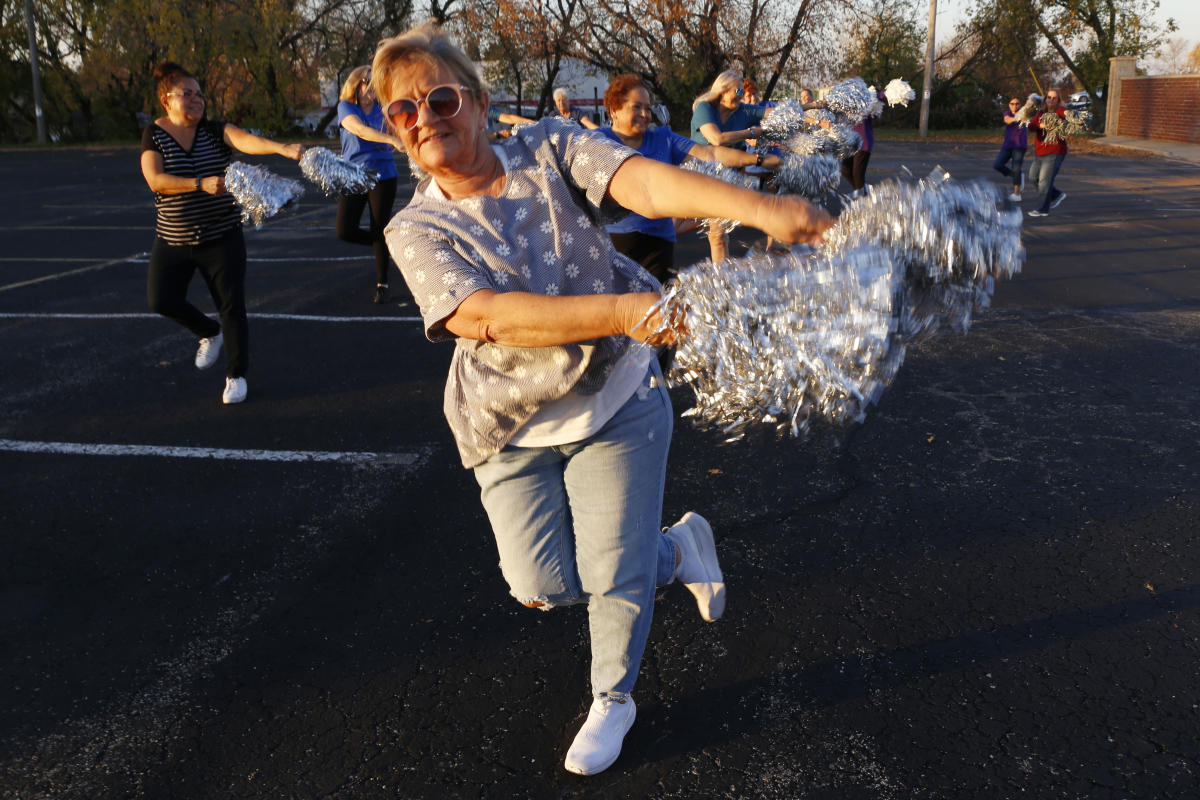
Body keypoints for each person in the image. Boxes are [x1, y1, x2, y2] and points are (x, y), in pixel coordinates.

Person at [373, 24, 832, 776]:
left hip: (617, 396)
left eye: (441, 97)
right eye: (403, 111)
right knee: (543, 582)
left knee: (614, 572)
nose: (424, 116)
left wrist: (764, 209)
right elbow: (486, 314)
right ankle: (680, 549)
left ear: (480, 105)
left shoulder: (548, 147)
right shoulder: (413, 226)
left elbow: (641, 182)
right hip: (508, 420)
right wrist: (624, 313)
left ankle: (613, 698)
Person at [140, 61, 303, 404]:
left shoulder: (215, 131)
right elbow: (156, 180)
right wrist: (198, 183)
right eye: (188, 94)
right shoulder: (155, 134)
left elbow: (247, 141)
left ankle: (236, 375)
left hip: (221, 236)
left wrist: (282, 148)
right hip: (174, 239)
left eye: (200, 94)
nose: (197, 100)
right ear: (166, 100)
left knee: (231, 306)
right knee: (161, 299)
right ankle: (207, 331)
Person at [598, 73, 781, 284]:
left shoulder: (663, 138)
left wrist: (757, 159)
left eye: (648, 108)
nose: (645, 114)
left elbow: (711, 153)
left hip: (657, 244)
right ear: (614, 110)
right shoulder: (599, 142)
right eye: (636, 107)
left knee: (653, 306)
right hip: (609, 243)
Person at [336, 65, 405, 304]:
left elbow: (404, 130)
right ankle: (384, 243)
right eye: (367, 81)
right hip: (354, 175)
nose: (372, 86)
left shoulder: (383, 111)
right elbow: (360, 130)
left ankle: (382, 282)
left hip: (383, 174)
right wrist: (390, 138)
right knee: (344, 230)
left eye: (375, 82)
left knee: (379, 225)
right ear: (356, 84)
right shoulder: (346, 107)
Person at [1027, 89, 1068, 218]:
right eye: (1049, 97)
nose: (1051, 100)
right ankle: (1056, 194)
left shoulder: (1059, 111)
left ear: (1058, 101)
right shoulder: (1041, 113)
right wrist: (1041, 125)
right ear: (1045, 100)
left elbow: (1067, 113)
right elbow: (1031, 127)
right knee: (1033, 178)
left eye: (1054, 98)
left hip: (1055, 152)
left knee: (1044, 182)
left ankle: (1043, 209)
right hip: (1040, 152)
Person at [841, 84, 886, 200]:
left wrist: (888, 92)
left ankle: (862, 198)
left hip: (863, 143)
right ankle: (862, 191)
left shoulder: (867, 102)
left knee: (857, 174)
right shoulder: (846, 105)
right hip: (850, 144)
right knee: (845, 169)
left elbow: (879, 97)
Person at [993, 96, 1027, 202]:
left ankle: (1017, 194)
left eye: (1017, 103)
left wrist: (1024, 116)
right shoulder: (1007, 113)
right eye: (1012, 103)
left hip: (1020, 146)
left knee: (1016, 167)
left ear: (1020, 105)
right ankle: (1018, 177)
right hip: (1007, 145)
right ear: (1009, 105)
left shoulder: (1024, 113)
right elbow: (1007, 120)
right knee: (997, 165)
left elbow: (1029, 114)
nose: (1014, 105)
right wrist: (1018, 118)